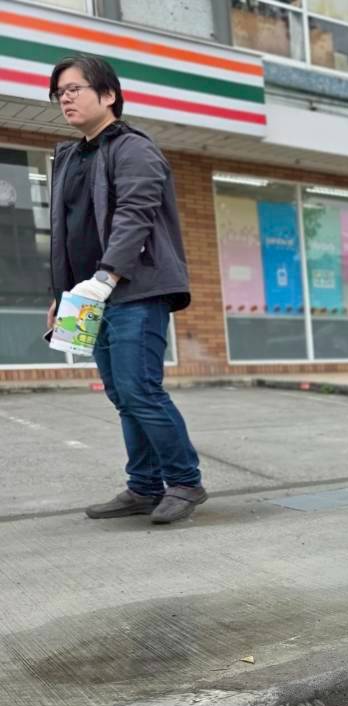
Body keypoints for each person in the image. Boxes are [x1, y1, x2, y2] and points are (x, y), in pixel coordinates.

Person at [46, 55, 205, 524]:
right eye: (60, 92)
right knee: (121, 393)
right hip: (87, 295)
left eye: (75, 88)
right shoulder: (70, 156)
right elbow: (65, 233)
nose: (65, 98)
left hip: (133, 289)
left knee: (141, 389)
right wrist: (60, 295)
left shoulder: (133, 148)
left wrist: (107, 276)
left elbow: (135, 214)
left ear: (108, 95)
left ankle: (184, 482)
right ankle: (143, 486)